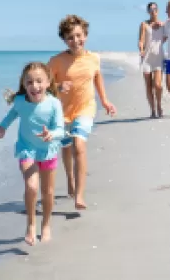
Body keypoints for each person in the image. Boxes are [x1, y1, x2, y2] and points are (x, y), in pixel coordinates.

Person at [0, 62, 65, 246]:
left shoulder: (54, 104)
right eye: (29, 82)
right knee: (31, 187)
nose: (34, 86)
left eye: (39, 81)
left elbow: (60, 129)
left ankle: (46, 225)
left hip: (48, 151)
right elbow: (12, 115)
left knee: (47, 192)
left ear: (48, 82)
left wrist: (51, 134)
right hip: (27, 149)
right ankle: (31, 224)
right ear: (24, 84)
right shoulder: (20, 101)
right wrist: (2, 127)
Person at [48, 14, 116, 210]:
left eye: (79, 35)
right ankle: (70, 177)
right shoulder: (56, 61)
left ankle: (79, 195)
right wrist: (58, 86)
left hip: (85, 108)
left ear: (85, 35)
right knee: (66, 147)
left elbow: (97, 78)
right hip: (62, 113)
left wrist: (105, 100)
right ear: (64, 39)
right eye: (70, 37)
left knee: (79, 145)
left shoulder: (93, 58)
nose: (75, 40)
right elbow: (44, 86)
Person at [138, 2, 165, 118]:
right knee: (148, 86)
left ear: (158, 10)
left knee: (158, 85)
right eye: (150, 9)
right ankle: (153, 110)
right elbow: (141, 40)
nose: (153, 11)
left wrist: (163, 25)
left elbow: (167, 36)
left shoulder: (163, 24)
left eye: (155, 9)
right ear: (148, 11)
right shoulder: (144, 24)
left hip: (158, 57)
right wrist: (141, 49)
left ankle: (159, 105)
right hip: (147, 58)